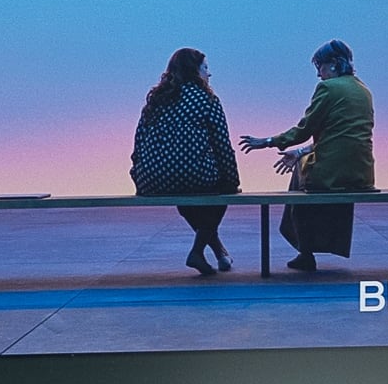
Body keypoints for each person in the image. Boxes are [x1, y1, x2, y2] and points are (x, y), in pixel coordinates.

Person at [242, 41, 375, 273]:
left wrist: (267, 142)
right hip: (361, 173)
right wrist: (302, 151)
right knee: (303, 163)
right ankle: (316, 246)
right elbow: (341, 136)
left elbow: (304, 128)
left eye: (320, 66)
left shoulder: (329, 88)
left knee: (299, 180)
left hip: (333, 174)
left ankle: (305, 251)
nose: (318, 73)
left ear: (333, 64)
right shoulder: (363, 89)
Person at [129, 47, 244, 275]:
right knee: (219, 195)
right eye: (205, 68)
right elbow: (221, 144)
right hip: (192, 176)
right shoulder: (205, 99)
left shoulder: (156, 100)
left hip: (152, 180)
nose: (209, 74)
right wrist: (232, 181)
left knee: (185, 194)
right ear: (195, 70)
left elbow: (138, 142)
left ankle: (219, 252)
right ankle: (198, 251)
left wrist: (137, 175)